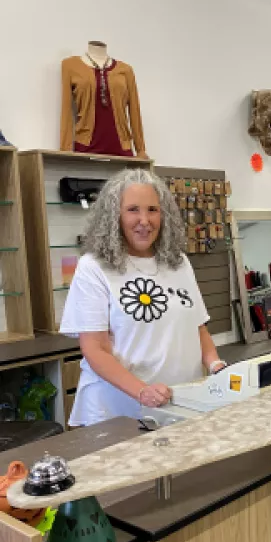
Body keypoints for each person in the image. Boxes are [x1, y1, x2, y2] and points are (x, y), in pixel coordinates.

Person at [60, 168, 227, 426]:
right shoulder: (93, 267)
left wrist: (216, 365)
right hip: (118, 413)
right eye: (133, 210)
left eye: (152, 210)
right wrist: (141, 391)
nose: (144, 220)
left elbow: (197, 327)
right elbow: (96, 349)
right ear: (113, 216)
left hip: (179, 405)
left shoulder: (178, 262)